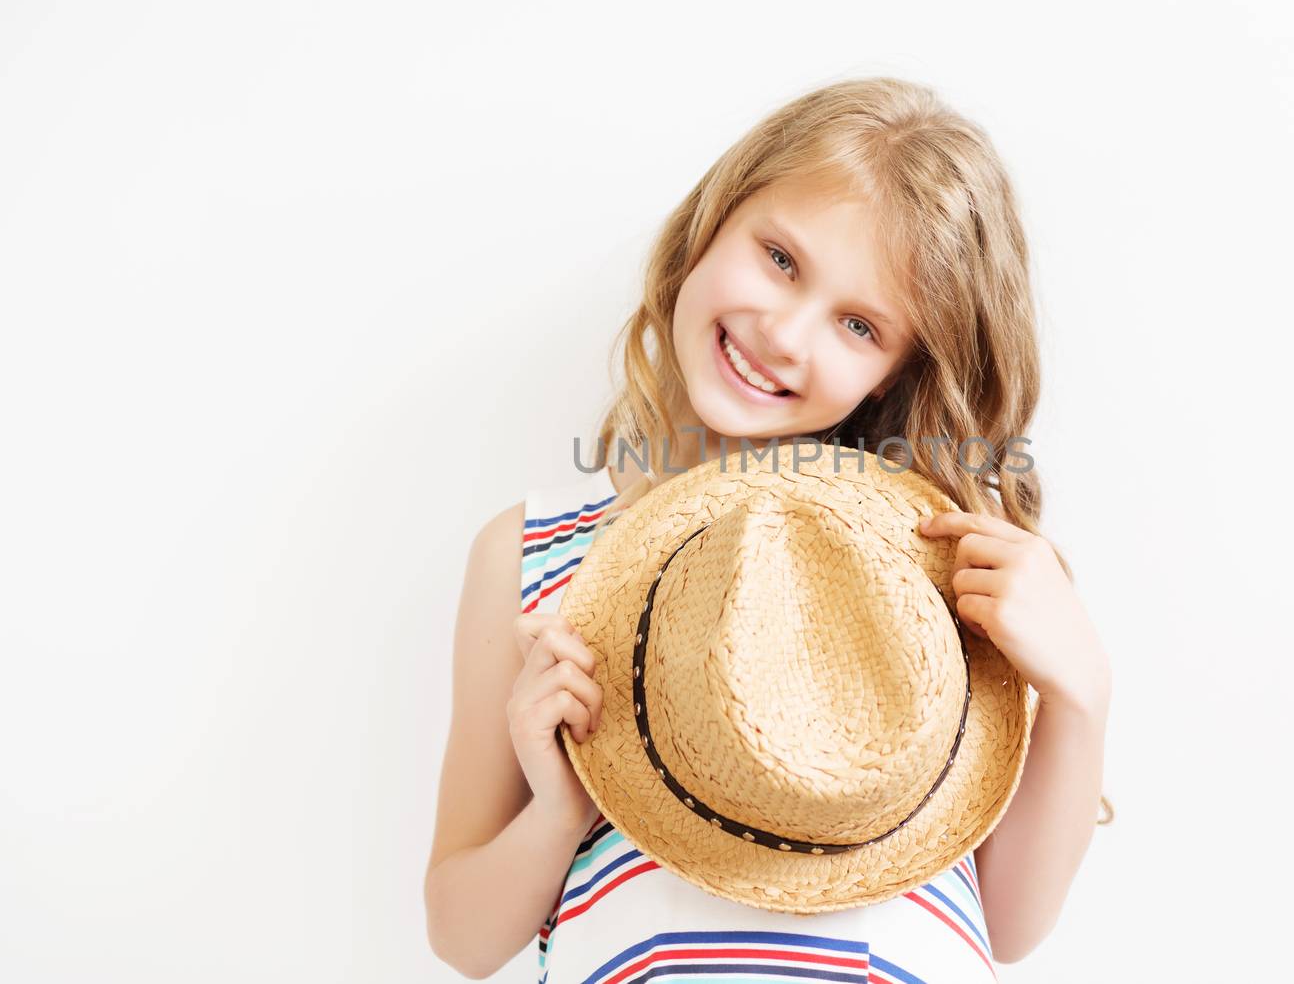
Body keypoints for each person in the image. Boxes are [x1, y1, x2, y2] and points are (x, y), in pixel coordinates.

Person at [423, 76, 1114, 981]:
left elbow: (1009, 923)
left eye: (859, 324)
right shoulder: (534, 554)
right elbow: (461, 938)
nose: (786, 333)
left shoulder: (939, 567)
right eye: (781, 258)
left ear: (896, 375)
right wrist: (559, 808)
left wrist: (1080, 697)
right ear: (715, 216)